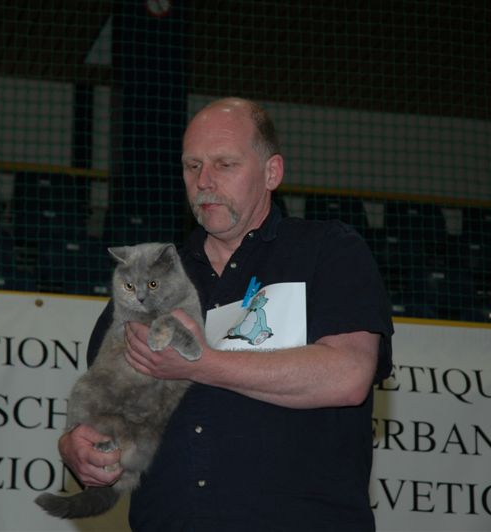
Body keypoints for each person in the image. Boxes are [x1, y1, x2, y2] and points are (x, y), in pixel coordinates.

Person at [59, 97, 394, 531]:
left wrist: (202, 363)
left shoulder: (326, 251)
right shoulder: (148, 280)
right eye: (192, 165)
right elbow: (106, 407)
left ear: (272, 172)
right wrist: (77, 447)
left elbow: (348, 375)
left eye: (225, 164)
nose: (204, 181)